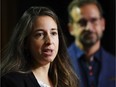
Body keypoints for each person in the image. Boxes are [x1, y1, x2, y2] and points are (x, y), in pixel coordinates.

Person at [1, 6, 79, 87]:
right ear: (25, 42)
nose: (49, 41)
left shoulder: (66, 80)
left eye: (53, 33)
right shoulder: (11, 82)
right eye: (40, 34)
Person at [67, 0, 115, 87]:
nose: (89, 28)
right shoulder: (58, 63)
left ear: (103, 24)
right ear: (71, 28)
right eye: (82, 22)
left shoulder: (114, 63)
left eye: (94, 20)